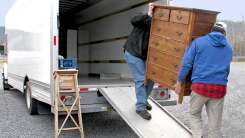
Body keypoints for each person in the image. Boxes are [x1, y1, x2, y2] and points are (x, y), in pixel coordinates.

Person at [175, 22, 233, 138]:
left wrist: (180, 81)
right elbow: (227, 70)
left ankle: (197, 136)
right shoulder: (229, 48)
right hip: (219, 89)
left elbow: (187, 64)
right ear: (224, 33)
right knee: (215, 124)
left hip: (200, 87)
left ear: (211, 30)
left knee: (194, 114)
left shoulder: (199, 42)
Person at [123, 3, 154, 120]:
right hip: (133, 52)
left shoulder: (159, 27)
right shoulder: (143, 20)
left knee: (151, 78)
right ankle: (140, 107)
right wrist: (148, 14)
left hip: (144, 55)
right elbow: (134, 20)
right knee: (141, 79)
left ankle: (143, 100)